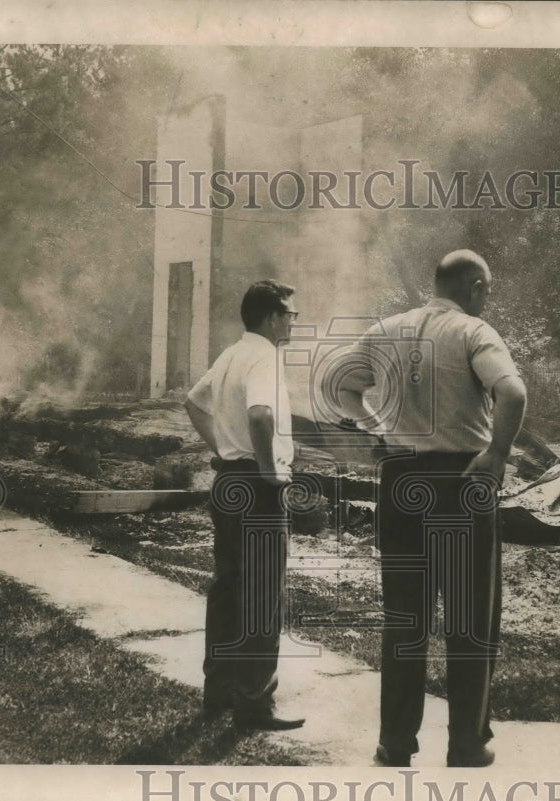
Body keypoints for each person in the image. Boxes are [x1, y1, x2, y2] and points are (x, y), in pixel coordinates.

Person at [332, 249, 526, 767]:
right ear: (476, 287)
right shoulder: (471, 332)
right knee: (470, 616)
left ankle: (394, 742)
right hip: (463, 479)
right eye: (486, 290)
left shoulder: (385, 330)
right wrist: (498, 454)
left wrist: (370, 425)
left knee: (404, 616)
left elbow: (341, 386)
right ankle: (466, 742)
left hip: (401, 479)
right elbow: (512, 391)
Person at [184, 279, 305, 731]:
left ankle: (218, 690)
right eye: (289, 314)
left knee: (229, 589)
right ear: (272, 317)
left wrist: (223, 446)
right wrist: (269, 468)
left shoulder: (232, 353)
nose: (292, 322)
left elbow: (194, 403)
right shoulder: (265, 357)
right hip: (257, 489)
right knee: (261, 598)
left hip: (228, 482)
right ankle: (254, 702)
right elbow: (260, 414)